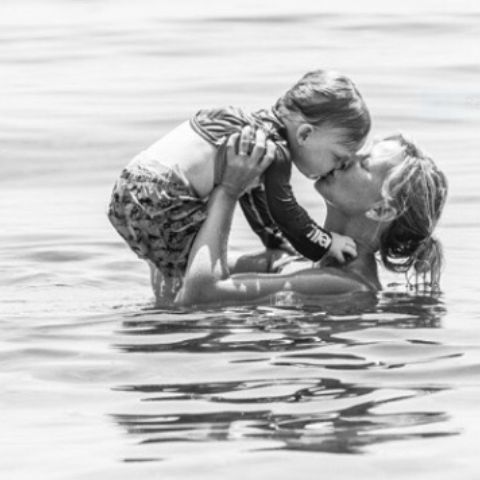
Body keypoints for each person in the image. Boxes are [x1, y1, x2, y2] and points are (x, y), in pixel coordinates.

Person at [107, 70, 371, 301]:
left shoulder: (246, 128)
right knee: (187, 285)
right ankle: (176, 323)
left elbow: (255, 199)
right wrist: (325, 243)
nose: (335, 169)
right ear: (304, 134)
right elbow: (285, 212)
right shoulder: (272, 149)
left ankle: (162, 314)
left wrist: (277, 244)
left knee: (173, 272)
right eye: (337, 158)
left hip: (129, 188)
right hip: (167, 198)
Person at [176, 130, 448, 306]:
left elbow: (199, 294)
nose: (347, 157)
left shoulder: (347, 284)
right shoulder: (299, 260)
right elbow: (183, 270)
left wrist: (228, 190)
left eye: (363, 163)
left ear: (381, 210)